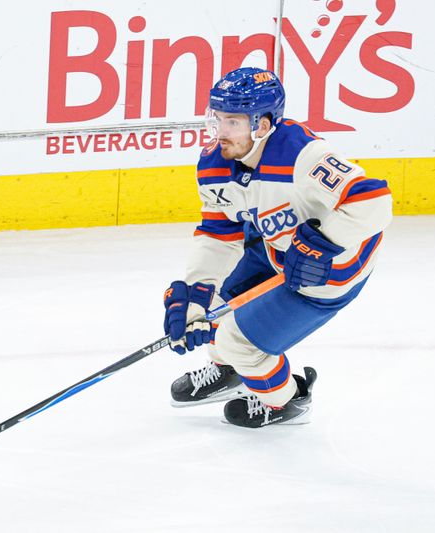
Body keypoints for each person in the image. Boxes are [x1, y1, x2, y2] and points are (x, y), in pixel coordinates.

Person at [163, 67, 392, 428]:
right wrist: (195, 294)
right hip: (277, 249)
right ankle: (231, 370)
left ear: (263, 125)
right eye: (217, 118)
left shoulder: (304, 154)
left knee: (243, 344)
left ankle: (286, 402)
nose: (221, 132)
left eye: (233, 122)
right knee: (218, 304)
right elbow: (219, 232)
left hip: (332, 270)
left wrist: (322, 244)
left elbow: (374, 202)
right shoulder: (214, 163)